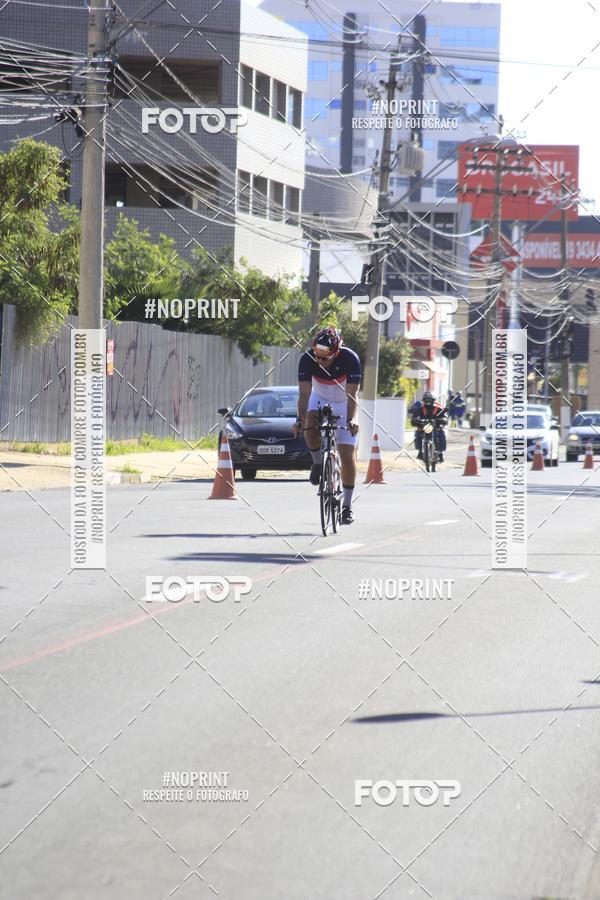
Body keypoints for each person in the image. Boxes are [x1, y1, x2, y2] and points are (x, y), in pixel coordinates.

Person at [294, 326, 361, 524]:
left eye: (325, 358)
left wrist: (352, 419)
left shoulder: (350, 359)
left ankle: (347, 506)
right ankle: (316, 462)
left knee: (347, 456)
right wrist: (299, 419)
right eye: (317, 356)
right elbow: (305, 394)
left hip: (344, 403)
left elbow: (352, 395)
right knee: (309, 422)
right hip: (319, 398)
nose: (319, 361)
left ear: (336, 353)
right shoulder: (307, 359)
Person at [409, 390, 447, 462]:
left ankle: (441, 453)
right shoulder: (420, 409)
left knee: (441, 434)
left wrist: (443, 420)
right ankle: (420, 451)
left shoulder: (437, 408)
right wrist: (415, 420)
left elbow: (444, 416)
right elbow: (414, 417)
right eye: (426, 399)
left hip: (436, 428)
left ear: (433, 400)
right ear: (423, 400)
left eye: (430, 399)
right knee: (417, 433)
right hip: (423, 428)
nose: (428, 401)